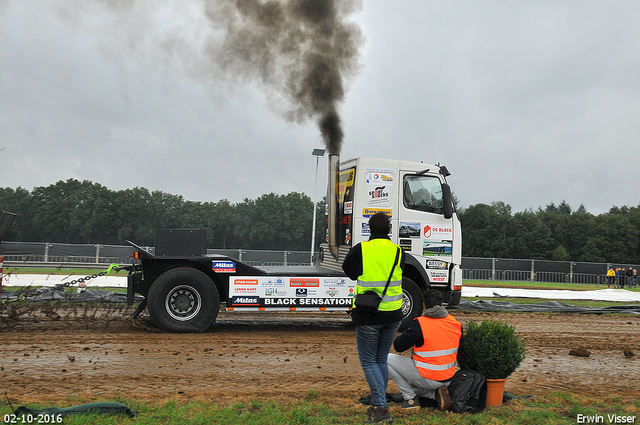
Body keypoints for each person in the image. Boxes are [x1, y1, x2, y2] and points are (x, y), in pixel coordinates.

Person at [342, 212, 404, 424]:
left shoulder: (362, 249)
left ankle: (381, 408)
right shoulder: (397, 250)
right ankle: (380, 403)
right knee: (380, 359)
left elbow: (349, 272)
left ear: (370, 229)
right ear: (388, 230)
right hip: (394, 313)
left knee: (369, 361)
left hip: (370, 314)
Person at [387, 289, 463, 411]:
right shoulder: (456, 323)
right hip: (448, 378)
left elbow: (398, 346)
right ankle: (434, 394)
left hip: (428, 377)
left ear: (424, 305)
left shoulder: (420, 323)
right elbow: (460, 350)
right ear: (442, 304)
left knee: (385, 359)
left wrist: (408, 331)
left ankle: (410, 398)